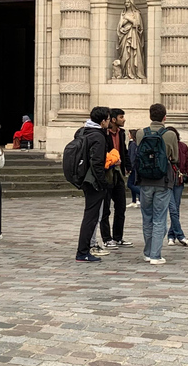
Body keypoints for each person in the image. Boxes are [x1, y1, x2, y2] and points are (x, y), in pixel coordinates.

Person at [133, 103, 178, 265]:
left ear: (150, 116)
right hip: (163, 181)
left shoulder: (140, 133)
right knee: (160, 217)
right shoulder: (170, 135)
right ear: (165, 117)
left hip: (144, 180)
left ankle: (147, 252)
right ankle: (155, 255)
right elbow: (175, 158)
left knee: (147, 217)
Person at [75, 106, 110, 263]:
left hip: (83, 177)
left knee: (89, 215)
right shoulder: (98, 136)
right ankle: (82, 252)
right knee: (91, 216)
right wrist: (103, 183)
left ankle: (83, 250)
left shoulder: (82, 131)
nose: (109, 123)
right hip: (93, 181)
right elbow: (97, 162)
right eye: (108, 120)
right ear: (103, 121)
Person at [100, 108, 133, 249]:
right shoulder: (103, 134)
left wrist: (128, 165)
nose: (124, 119)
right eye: (121, 117)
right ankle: (107, 238)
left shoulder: (122, 133)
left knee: (121, 207)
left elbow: (124, 150)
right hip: (107, 173)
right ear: (113, 120)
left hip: (118, 173)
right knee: (106, 208)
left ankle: (118, 237)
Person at [165, 127, 188, 247]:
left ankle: (171, 236)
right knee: (172, 209)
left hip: (179, 180)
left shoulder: (182, 147)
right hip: (167, 181)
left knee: (175, 208)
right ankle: (181, 236)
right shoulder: (165, 146)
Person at [126, 129, 140, 208]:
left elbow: (132, 157)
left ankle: (141, 195)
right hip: (134, 167)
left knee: (130, 184)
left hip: (133, 168)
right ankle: (134, 200)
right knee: (133, 184)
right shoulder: (133, 143)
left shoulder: (133, 144)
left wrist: (130, 168)